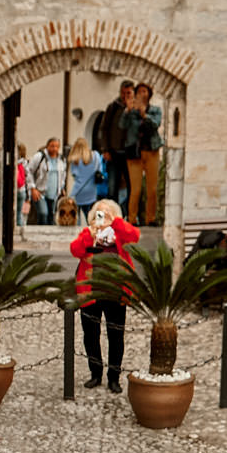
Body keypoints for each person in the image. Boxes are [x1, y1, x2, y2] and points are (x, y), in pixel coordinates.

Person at [69, 200, 139, 393]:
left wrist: (115, 223)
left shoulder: (120, 235)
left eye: (107, 213)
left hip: (115, 292)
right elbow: (75, 250)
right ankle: (95, 373)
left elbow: (135, 236)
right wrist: (89, 236)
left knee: (116, 336)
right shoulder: (88, 233)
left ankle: (114, 377)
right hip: (90, 292)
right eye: (99, 213)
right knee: (90, 335)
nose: (103, 216)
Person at [118, 84, 165, 226]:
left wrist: (145, 114)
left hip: (151, 151)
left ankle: (150, 218)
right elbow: (121, 125)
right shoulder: (130, 112)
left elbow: (155, 124)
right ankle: (132, 218)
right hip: (134, 152)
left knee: (151, 189)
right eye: (139, 91)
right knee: (135, 189)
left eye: (144, 91)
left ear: (149, 94)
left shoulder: (155, 110)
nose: (141, 94)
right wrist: (127, 110)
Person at [100, 80, 136, 203]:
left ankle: (131, 217)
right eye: (123, 93)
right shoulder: (113, 107)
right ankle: (113, 215)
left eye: (128, 93)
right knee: (112, 187)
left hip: (130, 153)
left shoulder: (136, 108)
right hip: (114, 152)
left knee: (132, 186)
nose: (125, 95)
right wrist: (105, 149)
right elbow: (104, 128)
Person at [26, 138, 67, 226]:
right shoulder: (40, 157)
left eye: (56, 146)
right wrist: (32, 188)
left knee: (51, 217)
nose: (54, 149)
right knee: (43, 213)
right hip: (40, 192)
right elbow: (29, 171)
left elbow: (63, 175)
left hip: (54, 193)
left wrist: (62, 187)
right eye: (52, 146)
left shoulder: (61, 160)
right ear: (47, 146)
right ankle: (40, 235)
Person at [67, 138, 108, 223]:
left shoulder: (75, 160)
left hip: (79, 192)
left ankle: (78, 234)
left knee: (76, 219)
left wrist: (71, 196)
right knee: (94, 218)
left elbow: (77, 179)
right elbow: (100, 171)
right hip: (94, 191)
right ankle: (97, 232)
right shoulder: (96, 155)